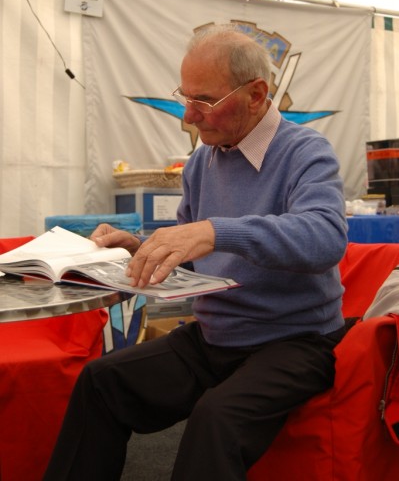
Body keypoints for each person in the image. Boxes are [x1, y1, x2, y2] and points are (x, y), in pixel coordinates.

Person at [43, 24, 348, 481]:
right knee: (101, 381)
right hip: (215, 337)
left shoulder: (306, 152)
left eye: (203, 101)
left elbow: (325, 237)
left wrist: (214, 231)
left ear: (256, 93)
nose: (188, 115)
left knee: (215, 420)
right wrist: (141, 248)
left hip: (294, 342)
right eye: (185, 97)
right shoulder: (203, 161)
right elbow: (193, 249)